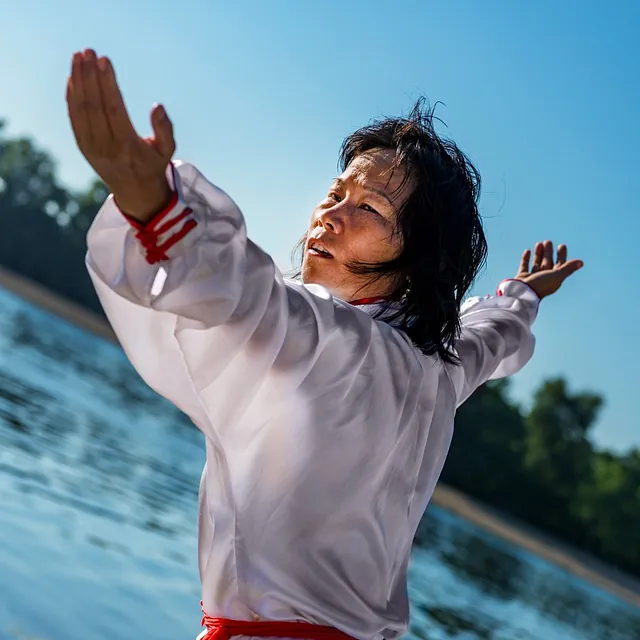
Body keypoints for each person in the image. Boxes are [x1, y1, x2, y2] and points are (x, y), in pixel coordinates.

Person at [67, 49, 583, 640]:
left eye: (369, 207)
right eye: (336, 193)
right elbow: (493, 332)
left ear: (415, 260)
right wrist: (524, 293)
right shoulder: (443, 365)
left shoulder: (339, 345)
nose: (330, 215)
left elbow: (246, 295)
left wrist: (152, 204)